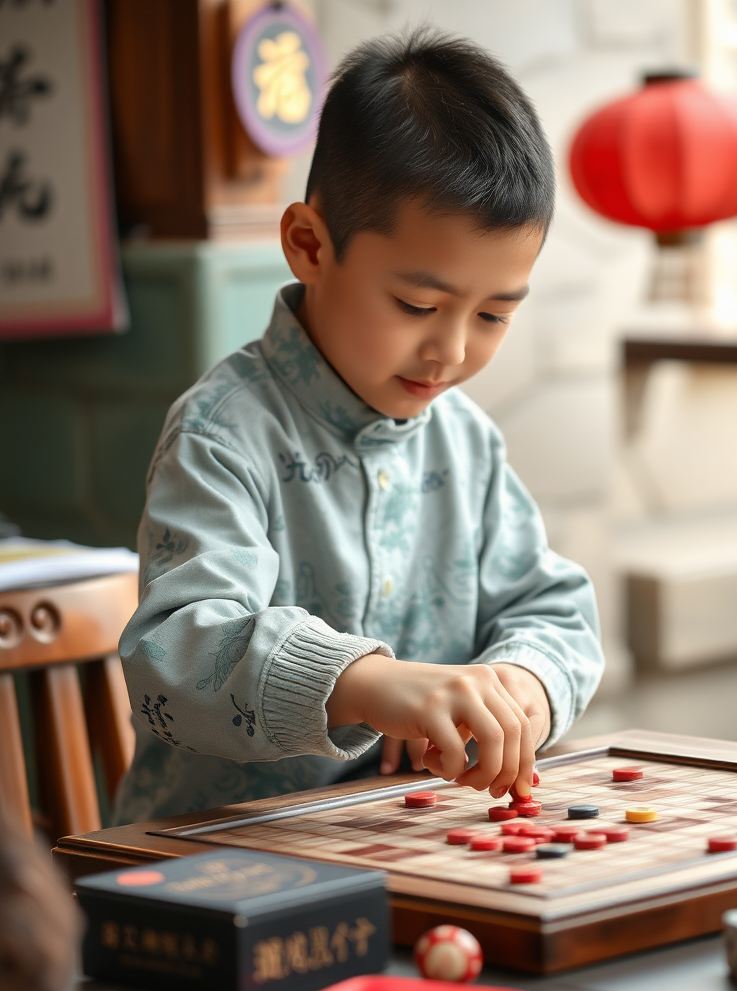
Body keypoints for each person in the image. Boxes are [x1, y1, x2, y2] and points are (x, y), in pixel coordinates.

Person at [113, 29, 603, 823]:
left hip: (405, 841)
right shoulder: (222, 434)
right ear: (309, 245)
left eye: (494, 314)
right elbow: (176, 652)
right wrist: (369, 685)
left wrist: (518, 689)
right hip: (219, 862)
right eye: (417, 306)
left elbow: (553, 610)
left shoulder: (465, 440)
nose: (450, 350)